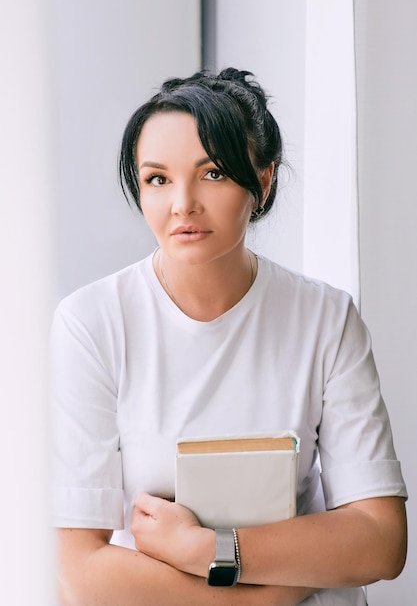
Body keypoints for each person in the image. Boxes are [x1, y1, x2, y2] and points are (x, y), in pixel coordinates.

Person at [51, 68, 407, 606]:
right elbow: (80, 572)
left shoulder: (326, 319)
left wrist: (205, 550)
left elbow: (381, 541)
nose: (182, 204)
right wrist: (265, 595)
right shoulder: (92, 322)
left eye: (212, 173)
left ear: (261, 182)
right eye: (157, 179)